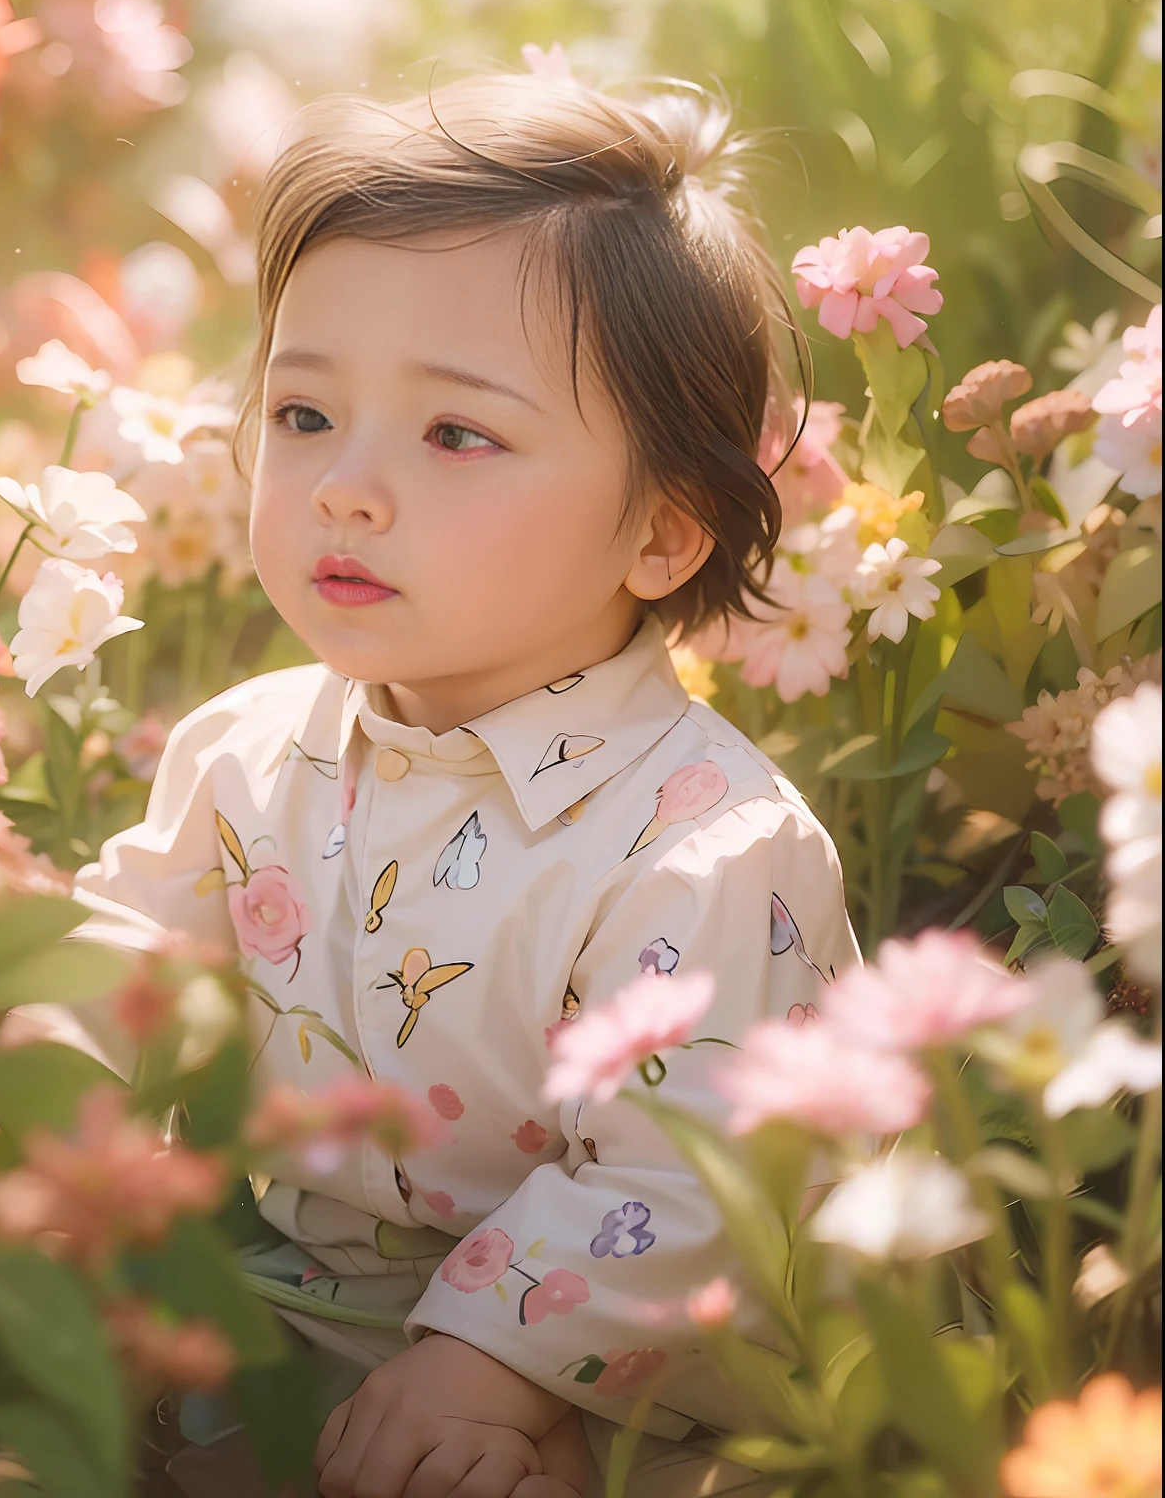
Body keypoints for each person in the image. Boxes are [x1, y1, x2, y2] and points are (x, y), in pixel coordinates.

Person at [42, 73, 861, 1498]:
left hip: (648, 1375)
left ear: (663, 534)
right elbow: (118, 955)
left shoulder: (705, 851)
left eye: (455, 435)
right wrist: (47, 1095)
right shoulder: (247, 756)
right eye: (303, 414)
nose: (347, 487)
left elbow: (691, 1182)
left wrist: (487, 1364)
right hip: (311, 1315)